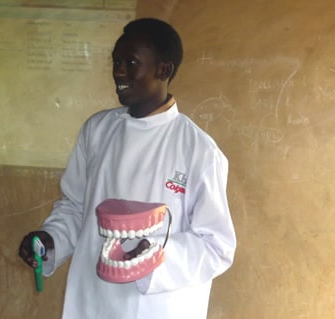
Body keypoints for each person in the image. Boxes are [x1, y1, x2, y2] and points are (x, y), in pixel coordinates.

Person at [19, 17, 236, 319]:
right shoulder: (97, 131)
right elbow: (76, 206)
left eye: (131, 62)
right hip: (92, 300)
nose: (118, 71)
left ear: (164, 70)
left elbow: (216, 246)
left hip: (157, 307)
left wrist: (152, 254)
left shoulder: (199, 151)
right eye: (116, 61)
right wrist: (49, 239)